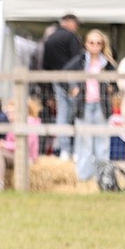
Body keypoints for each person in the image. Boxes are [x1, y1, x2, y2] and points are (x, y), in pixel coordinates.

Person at [64, 29, 116, 181]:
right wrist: (72, 88)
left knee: (102, 144)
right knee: (84, 143)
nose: (95, 46)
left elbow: (116, 81)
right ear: (86, 44)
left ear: (102, 45)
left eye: (98, 43)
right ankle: (84, 179)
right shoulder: (80, 61)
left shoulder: (107, 64)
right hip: (83, 107)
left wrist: (112, 88)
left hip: (101, 107)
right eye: (91, 42)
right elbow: (63, 75)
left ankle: (103, 179)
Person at [41, 13, 83, 158]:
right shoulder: (71, 37)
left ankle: (65, 150)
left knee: (62, 114)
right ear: (69, 22)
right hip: (72, 79)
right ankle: (77, 150)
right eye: (76, 24)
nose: (76, 27)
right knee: (77, 113)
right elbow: (77, 59)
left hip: (56, 80)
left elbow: (45, 65)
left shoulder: (49, 38)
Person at [0, 97, 41, 190]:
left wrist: (6, 145)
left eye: (12, 112)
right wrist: (3, 144)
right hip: (14, 154)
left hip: (26, 157)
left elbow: (25, 146)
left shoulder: (29, 124)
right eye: (8, 112)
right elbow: (10, 142)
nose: (9, 115)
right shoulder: (12, 124)